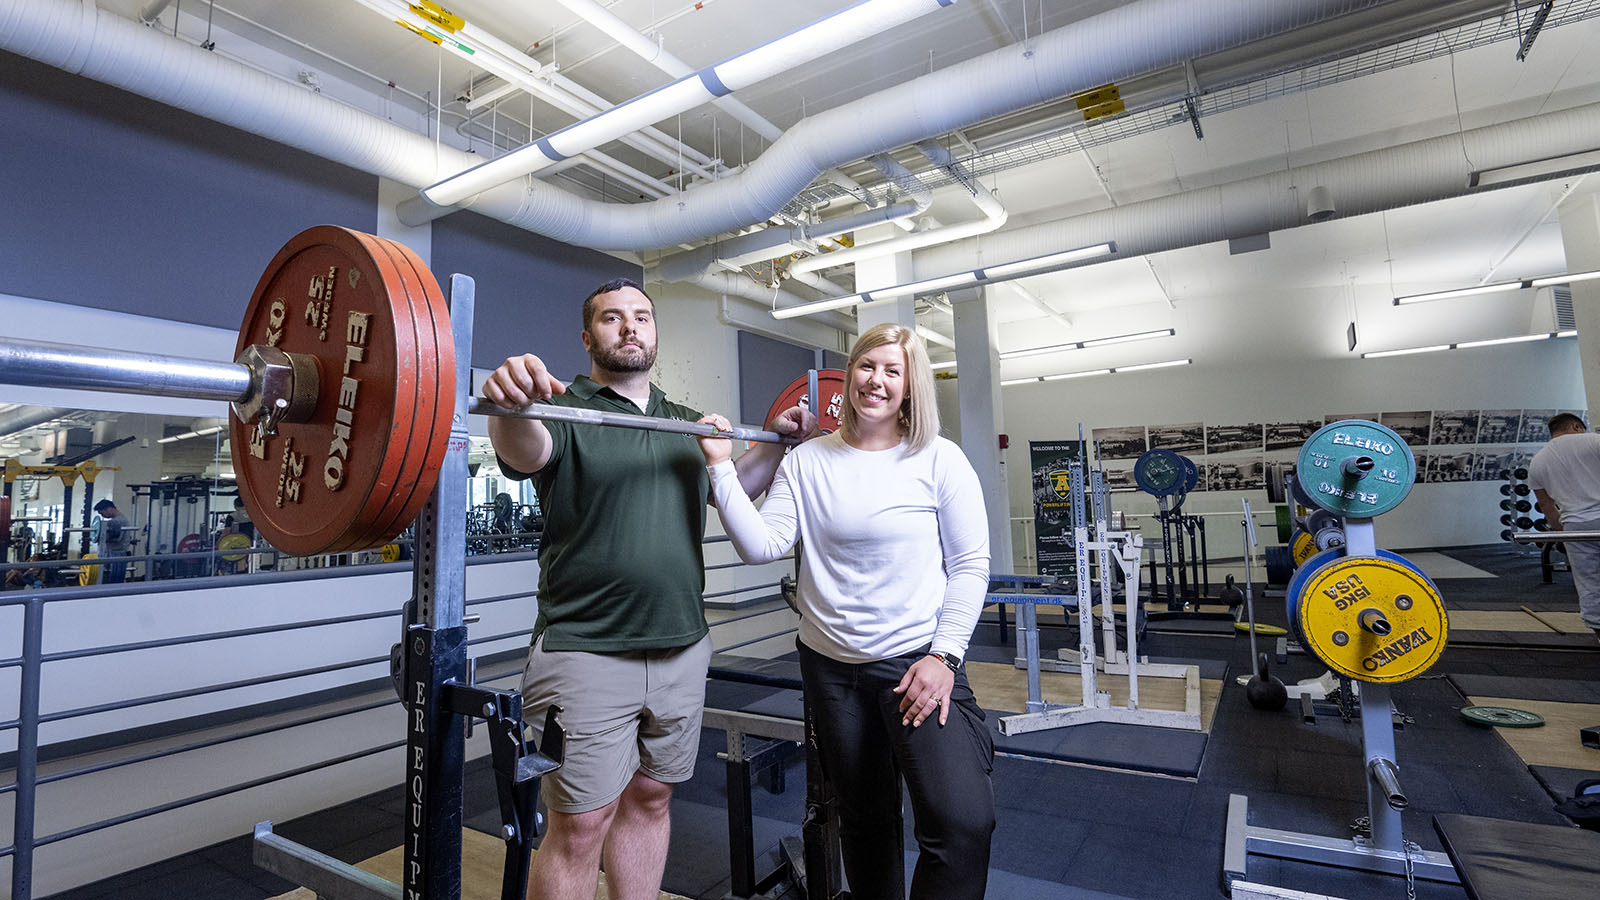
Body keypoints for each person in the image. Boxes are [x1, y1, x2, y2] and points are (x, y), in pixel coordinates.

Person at [483, 277, 814, 900]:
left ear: (656, 333)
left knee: (653, 797)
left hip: (683, 646)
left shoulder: (685, 422)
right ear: (589, 337)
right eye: (612, 318)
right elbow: (526, 449)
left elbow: (732, 483)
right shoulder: (563, 411)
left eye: (641, 317)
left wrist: (779, 437)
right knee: (580, 825)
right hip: (586, 649)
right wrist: (513, 406)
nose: (630, 327)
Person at [696, 322, 995, 900]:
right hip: (831, 669)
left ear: (911, 387)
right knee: (864, 820)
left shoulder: (940, 460)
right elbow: (761, 545)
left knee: (962, 822)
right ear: (849, 373)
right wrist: (719, 465)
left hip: (916, 665)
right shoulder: (809, 460)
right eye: (866, 366)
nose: (876, 381)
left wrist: (945, 657)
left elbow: (970, 568)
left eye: (892, 371)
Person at [1528, 412, 1600, 643]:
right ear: (1576, 426)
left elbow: (1547, 506)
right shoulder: (1595, 441)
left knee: (1589, 581)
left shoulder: (1538, 460)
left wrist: (1562, 533)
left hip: (1576, 526)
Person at [92, 498, 130, 584]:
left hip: (114, 555)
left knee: (111, 582)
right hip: (110, 555)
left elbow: (114, 538)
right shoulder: (116, 521)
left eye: (102, 513)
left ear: (109, 509)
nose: (102, 516)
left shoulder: (118, 521)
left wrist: (97, 536)